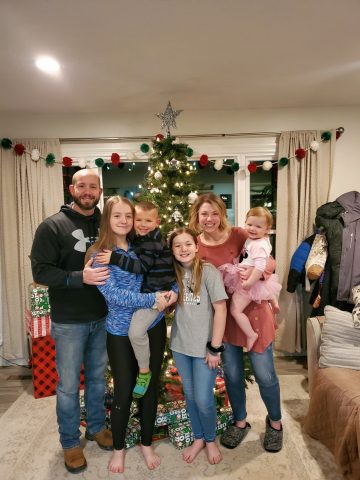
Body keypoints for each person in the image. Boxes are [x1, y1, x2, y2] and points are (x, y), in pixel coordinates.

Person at [30, 169, 112, 474]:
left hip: (103, 317)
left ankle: (95, 427)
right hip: (69, 322)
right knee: (66, 387)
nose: (88, 191)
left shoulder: (108, 224)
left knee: (96, 378)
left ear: (100, 190)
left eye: (93, 186)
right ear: (71, 188)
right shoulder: (52, 226)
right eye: (82, 186)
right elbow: (41, 272)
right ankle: (70, 442)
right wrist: (81, 277)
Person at [188, 193, 283, 453]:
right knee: (231, 374)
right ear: (197, 215)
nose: (209, 219)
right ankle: (239, 422)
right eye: (204, 213)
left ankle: (275, 423)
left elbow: (269, 260)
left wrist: (256, 274)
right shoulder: (196, 244)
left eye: (214, 213)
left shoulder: (240, 234)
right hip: (225, 319)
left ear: (222, 213)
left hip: (254, 311)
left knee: (265, 375)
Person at [86, 196, 173, 474]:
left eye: (128, 216)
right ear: (107, 219)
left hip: (153, 325)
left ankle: (146, 443)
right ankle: (119, 448)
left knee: (149, 388)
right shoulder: (100, 253)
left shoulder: (142, 244)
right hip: (120, 331)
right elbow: (112, 295)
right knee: (124, 390)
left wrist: (171, 294)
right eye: (117, 216)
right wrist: (152, 300)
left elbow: (171, 270)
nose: (124, 221)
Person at [95, 201, 177, 399]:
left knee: (136, 332)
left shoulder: (151, 242)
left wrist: (115, 258)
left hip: (156, 298)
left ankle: (144, 371)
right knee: (122, 389)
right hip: (138, 307)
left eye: (147, 220)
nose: (141, 224)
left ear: (157, 222)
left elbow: (140, 268)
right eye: (138, 219)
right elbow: (113, 293)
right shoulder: (140, 241)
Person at [168, 227, 228, 465]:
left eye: (187, 244)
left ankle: (211, 439)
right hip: (180, 346)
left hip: (205, 348)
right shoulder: (171, 273)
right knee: (191, 396)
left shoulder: (208, 272)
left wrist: (215, 348)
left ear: (196, 246)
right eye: (177, 245)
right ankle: (198, 438)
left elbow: (221, 309)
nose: (183, 249)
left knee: (203, 398)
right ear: (172, 251)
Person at [219, 207, 282, 351]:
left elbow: (260, 267)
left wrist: (248, 283)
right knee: (266, 287)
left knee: (235, 310)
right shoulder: (257, 240)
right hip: (251, 278)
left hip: (249, 283)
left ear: (267, 229)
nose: (252, 229)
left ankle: (251, 334)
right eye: (250, 224)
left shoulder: (258, 245)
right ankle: (274, 301)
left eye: (258, 226)